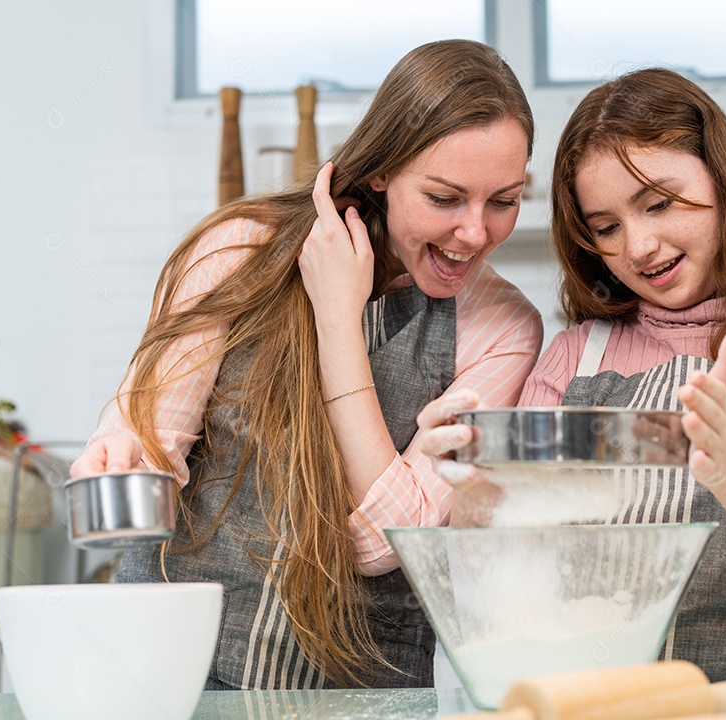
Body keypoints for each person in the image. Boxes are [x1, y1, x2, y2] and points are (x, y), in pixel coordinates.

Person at [419, 67, 726, 682]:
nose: (638, 246)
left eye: (659, 203)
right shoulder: (574, 360)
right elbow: (509, 597)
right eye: (606, 227)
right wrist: (474, 503)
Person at [69, 39, 543, 690]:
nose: (474, 233)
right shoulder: (240, 249)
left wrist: (336, 319)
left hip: (358, 695)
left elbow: (385, 542)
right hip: (177, 677)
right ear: (382, 170)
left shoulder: (504, 328)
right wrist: (119, 443)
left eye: (503, 201)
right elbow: (148, 444)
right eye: (444, 197)